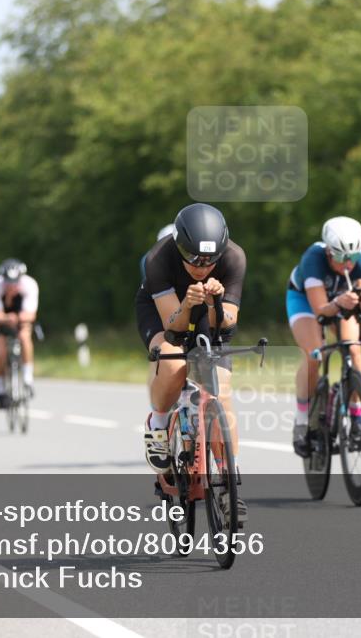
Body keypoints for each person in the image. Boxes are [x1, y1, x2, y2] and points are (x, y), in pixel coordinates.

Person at [136, 203, 248, 521]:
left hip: (207, 315)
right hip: (165, 313)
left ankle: (228, 479)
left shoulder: (234, 258)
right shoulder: (158, 258)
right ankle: (157, 424)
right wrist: (187, 304)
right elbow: (173, 327)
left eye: (210, 260)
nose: (202, 267)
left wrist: (214, 302)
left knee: (221, 393)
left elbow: (226, 324)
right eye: (195, 260)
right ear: (180, 248)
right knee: (172, 362)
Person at [287, 216, 361, 457]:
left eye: (353, 258)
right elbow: (321, 311)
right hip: (306, 300)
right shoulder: (313, 260)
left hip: (341, 302)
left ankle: (358, 414)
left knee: (354, 349)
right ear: (328, 251)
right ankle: (303, 420)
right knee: (315, 353)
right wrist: (338, 301)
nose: (348, 264)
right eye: (340, 257)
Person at [0, 258, 39, 408]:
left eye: (15, 282)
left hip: (21, 316)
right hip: (2, 319)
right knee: (0, 350)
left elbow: (31, 314)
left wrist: (19, 318)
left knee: (24, 336)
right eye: (8, 282)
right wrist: (7, 318)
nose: (11, 285)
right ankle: (1, 391)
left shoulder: (29, 285)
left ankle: (28, 379)